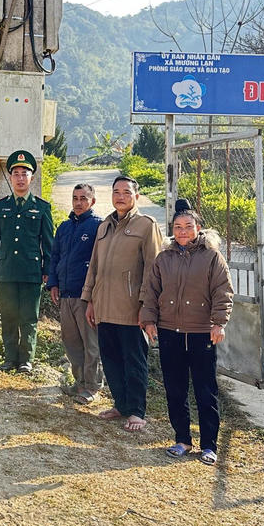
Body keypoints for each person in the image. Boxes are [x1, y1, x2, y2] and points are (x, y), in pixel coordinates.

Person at [140, 209, 233, 466]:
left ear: (198, 228)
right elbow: (151, 291)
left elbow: (223, 292)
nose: (182, 231)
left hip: (201, 332)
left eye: (188, 226)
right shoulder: (164, 257)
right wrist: (148, 320)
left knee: (205, 390)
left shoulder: (212, 257)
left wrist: (219, 323)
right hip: (170, 332)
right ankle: (182, 439)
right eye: (178, 226)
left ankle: (209, 446)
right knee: (175, 389)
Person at [81, 175, 162, 432]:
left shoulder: (146, 225)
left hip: (131, 310)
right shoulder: (105, 225)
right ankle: (121, 405)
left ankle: (137, 411)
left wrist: (146, 307)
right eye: (116, 191)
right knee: (111, 359)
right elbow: (94, 266)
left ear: (136, 196)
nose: (120, 196)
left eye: (126, 192)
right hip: (104, 307)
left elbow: (154, 268)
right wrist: (90, 300)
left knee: (133, 361)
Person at [0, 150, 54, 373]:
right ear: (11, 177)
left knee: (29, 318)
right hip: (5, 271)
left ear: (31, 178)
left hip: (32, 272)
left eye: (25, 173)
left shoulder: (42, 207)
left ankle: (26, 360)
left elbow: (48, 243)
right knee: (9, 316)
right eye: (16, 173)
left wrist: (47, 270)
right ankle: (9, 358)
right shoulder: (0, 206)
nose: (20, 178)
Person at [47, 183, 103, 403]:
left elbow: (101, 264)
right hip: (66, 295)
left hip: (85, 296)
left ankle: (92, 386)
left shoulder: (98, 227)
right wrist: (53, 283)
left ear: (92, 201)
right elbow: (55, 258)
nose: (78, 203)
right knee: (71, 342)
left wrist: (93, 296)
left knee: (91, 343)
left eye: (83, 198)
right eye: (75, 198)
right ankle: (78, 383)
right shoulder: (64, 227)